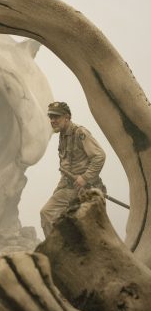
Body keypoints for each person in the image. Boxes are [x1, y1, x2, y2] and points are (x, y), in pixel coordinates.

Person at [40, 101, 106, 237]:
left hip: (87, 189)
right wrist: (57, 191)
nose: (53, 120)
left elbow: (99, 156)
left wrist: (85, 177)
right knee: (47, 213)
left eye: (56, 117)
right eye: (51, 117)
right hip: (68, 189)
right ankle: (57, 250)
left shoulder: (80, 132)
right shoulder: (62, 135)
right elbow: (66, 170)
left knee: (89, 231)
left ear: (67, 117)